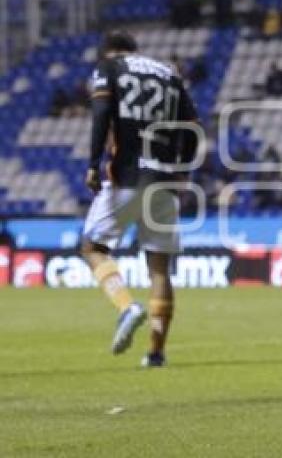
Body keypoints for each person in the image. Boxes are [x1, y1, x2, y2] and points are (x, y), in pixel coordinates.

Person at [81, 31, 199, 368]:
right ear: (137, 49)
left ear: (110, 51)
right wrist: (182, 171)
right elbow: (192, 126)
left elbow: (102, 113)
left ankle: (126, 307)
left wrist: (93, 163)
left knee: (93, 248)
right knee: (160, 268)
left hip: (128, 175)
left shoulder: (110, 67)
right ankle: (156, 352)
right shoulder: (168, 74)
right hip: (164, 180)